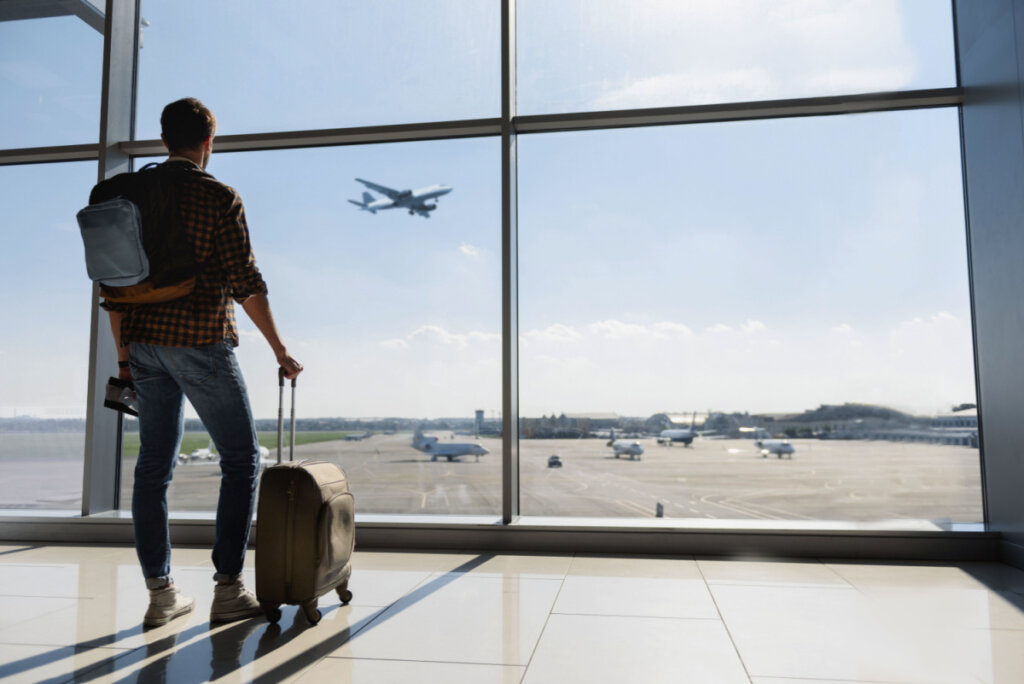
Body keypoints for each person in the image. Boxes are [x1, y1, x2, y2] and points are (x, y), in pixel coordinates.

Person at [102, 97, 302, 628]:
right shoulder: (218, 196)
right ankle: (228, 588)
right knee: (241, 459)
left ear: (164, 139)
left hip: (142, 346)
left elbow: (113, 291)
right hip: (198, 340)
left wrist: (124, 360)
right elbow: (246, 283)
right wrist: (279, 349)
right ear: (208, 142)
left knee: (153, 467)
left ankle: (160, 593)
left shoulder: (127, 194)